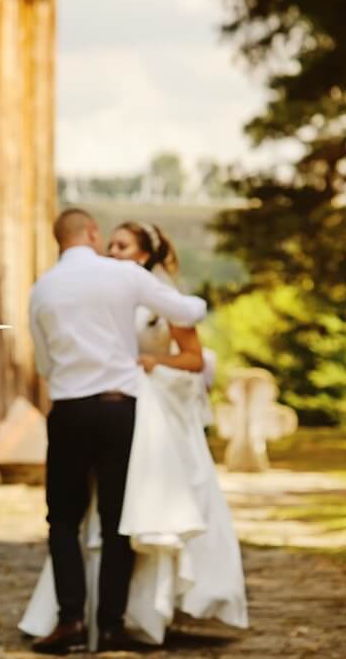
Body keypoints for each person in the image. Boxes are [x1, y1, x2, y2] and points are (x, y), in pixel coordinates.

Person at [21, 218, 249, 653]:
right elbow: (189, 313)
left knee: (63, 520)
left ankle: (70, 619)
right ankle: (110, 626)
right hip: (117, 409)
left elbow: (45, 362)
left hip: (68, 409)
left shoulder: (43, 288)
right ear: (90, 233)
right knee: (116, 520)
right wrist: (194, 303)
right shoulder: (123, 276)